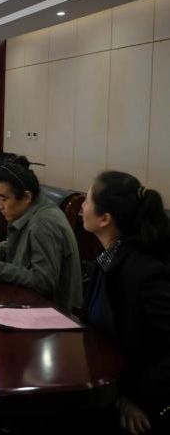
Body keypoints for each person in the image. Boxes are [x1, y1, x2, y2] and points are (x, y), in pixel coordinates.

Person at [81, 171, 170, 435]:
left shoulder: (143, 271)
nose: (82, 206)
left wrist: (137, 399)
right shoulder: (107, 256)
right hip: (106, 387)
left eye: (87, 201)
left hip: (136, 404)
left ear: (105, 219)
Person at [0, 155, 82, 312]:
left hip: (53, 313)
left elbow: (43, 281)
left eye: (3, 199)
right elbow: (10, 244)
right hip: (27, 301)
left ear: (27, 197)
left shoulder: (43, 223)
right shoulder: (27, 210)